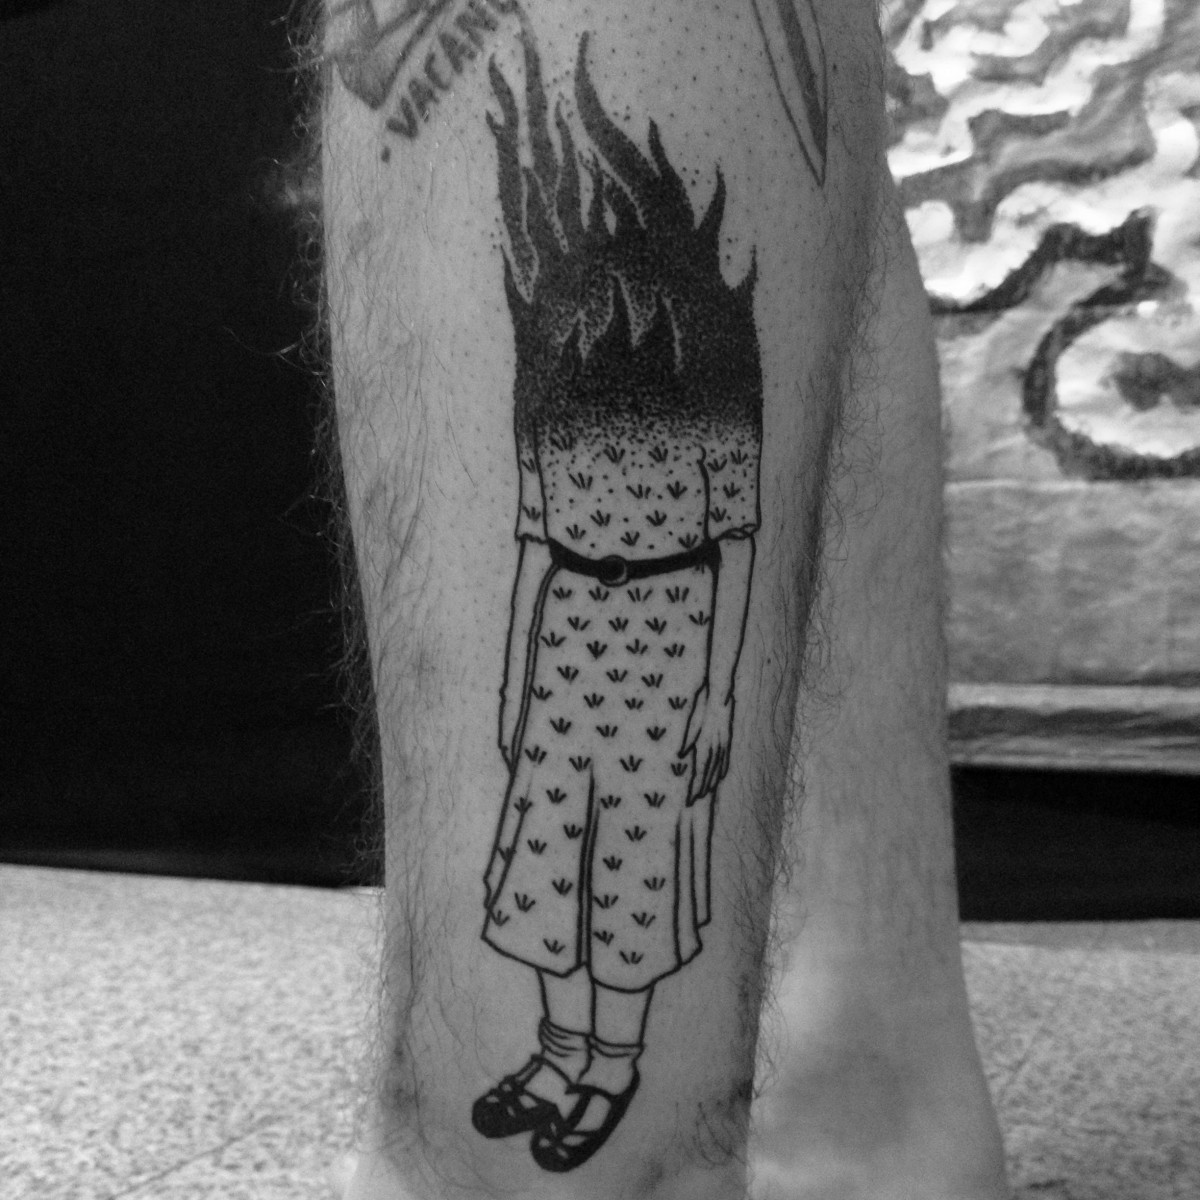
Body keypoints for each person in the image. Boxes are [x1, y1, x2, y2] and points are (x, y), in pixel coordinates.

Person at [318, 1, 1010, 1196]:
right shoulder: (558, 397)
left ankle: (571, 1170)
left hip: (662, 646)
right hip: (573, 646)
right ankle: (858, 1087)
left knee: (632, 873)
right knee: (549, 859)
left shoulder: (706, 411)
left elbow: (732, 552)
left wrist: (716, 699)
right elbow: (538, 552)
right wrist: (521, 684)